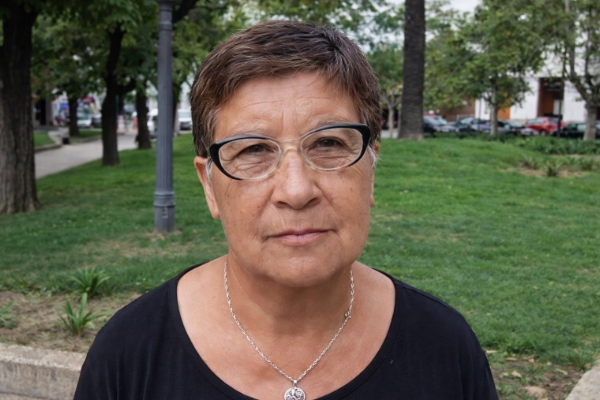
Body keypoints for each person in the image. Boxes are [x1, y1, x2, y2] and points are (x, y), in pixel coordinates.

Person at [74, 21, 498, 400]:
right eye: (254, 150)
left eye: (329, 143)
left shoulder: (446, 348)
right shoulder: (128, 356)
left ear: (371, 169)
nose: (296, 191)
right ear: (209, 185)